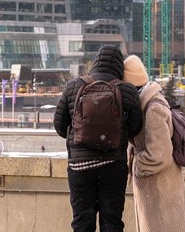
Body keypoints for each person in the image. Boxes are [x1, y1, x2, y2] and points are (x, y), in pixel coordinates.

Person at [53, 44, 143, 232]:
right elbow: (136, 129)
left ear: (95, 62)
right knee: (112, 222)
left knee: (81, 222)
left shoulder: (73, 86)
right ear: (120, 67)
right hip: (113, 166)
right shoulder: (127, 91)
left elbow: (60, 126)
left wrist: (80, 137)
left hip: (80, 167)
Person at [123, 55, 185, 232]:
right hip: (158, 187)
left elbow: (159, 155)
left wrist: (136, 166)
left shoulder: (153, 109)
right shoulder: (147, 104)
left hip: (161, 190)